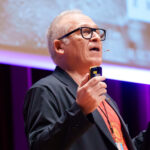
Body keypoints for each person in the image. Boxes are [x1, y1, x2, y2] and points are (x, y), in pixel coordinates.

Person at [23, 10, 149, 150]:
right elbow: (40, 147)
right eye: (86, 31)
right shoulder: (46, 90)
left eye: (97, 32)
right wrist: (80, 110)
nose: (96, 37)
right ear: (59, 47)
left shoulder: (105, 99)